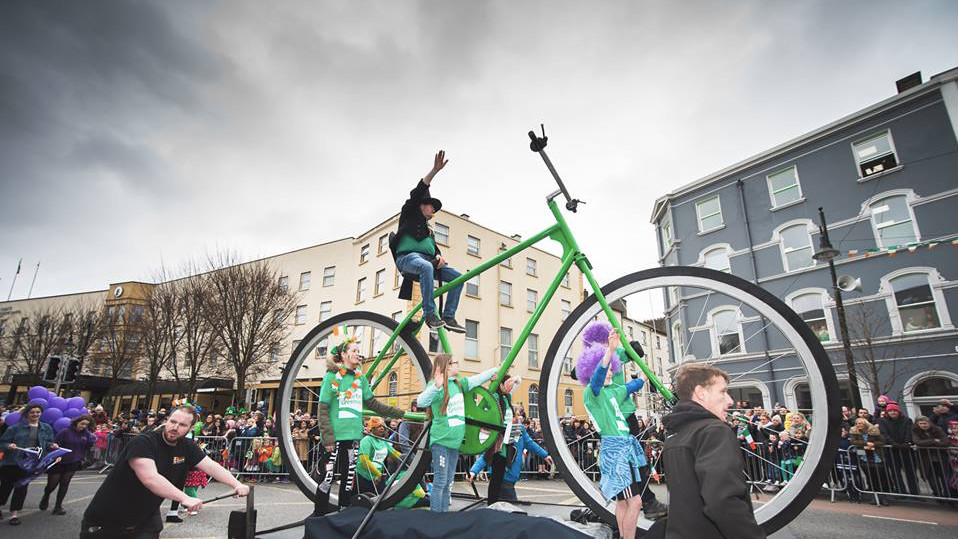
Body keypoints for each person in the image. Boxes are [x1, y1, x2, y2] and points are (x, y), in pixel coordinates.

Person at [80, 405, 249, 538]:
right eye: (173, 421)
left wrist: (236, 483)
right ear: (167, 420)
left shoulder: (187, 446)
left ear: (190, 428)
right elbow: (150, 478)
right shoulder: (144, 442)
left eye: (182, 425)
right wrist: (185, 498)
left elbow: (211, 466)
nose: (175, 427)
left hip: (145, 518)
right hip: (109, 517)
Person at [661, 363, 764, 539]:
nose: (730, 401)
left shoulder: (675, 436)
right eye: (723, 392)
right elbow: (723, 501)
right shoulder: (714, 431)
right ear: (701, 392)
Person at [315, 336, 405, 514]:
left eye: (358, 350)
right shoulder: (332, 377)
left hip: (353, 437)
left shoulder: (361, 379)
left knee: (348, 480)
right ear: (344, 354)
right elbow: (323, 409)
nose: (358, 354)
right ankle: (319, 514)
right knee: (327, 478)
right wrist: (327, 437)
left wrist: (397, 412)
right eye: (354, 351)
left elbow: (373, 404)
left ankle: (343, 513)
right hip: (334, 437)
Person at [576, 329, 647, 539]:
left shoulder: (611, 391)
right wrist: (610, 351)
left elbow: (628, 387)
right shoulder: (592, 393)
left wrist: (643, 378)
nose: (610, 372)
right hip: (615, 453)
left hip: (622, 450)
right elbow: (599, 376)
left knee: (624, 502)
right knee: (635, 502)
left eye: (611, 369)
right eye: (607, 370)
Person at [393, 150, 466, 332]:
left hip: (428, 262)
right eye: (430, 205)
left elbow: (435, 250)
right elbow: (417, 192)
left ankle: (448, 316)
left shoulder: (429, 232)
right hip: (408, 259)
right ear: (421, 205)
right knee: (425, 266)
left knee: (458, 277)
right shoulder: (409, 214)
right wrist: (434, 171)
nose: (433, 209)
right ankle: (430, 314)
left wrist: (440, 257)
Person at [416, 354, 497, 512]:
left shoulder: (459, 384)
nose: (458, 364)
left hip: (454, 444)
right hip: (441, 442)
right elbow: (421, 402)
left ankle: (444, 515)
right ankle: (436, 518)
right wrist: (436, 387)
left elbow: (478, 379)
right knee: (440, 481)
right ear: (446, 366)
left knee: (448, 482)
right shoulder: (438, 385)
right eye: (455, 362)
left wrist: (495, 370)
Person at [467, 393, 553, 504]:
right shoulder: (500, 431)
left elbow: (530, 444)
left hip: (511, 478)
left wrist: (545, 455)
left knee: (504, 509)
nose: (518, 417)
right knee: (510, 507)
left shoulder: (520, 429)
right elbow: (487, 455)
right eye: (516, 415)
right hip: (503, 477)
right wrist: (474, 471)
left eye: (519, 415)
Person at [0, 404, 59, 525]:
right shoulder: (15, 428)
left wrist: (52, 446)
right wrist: (8, 446)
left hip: (30, 463)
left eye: (38, 412)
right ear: (26, 414)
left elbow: (48, 442)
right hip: (12, 462)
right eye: (32, 412)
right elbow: (3, 443)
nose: (35, 414)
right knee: (5, 487)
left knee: (21, 488)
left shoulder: (46, 428)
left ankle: (14, 514)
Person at [40, 414, 96, 516]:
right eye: (82, 423)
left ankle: (58, 506)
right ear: (76, 422)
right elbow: (55, 444)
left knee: (65, 483)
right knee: (52, 484)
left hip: (73, 461)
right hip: (59, 460)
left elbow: (89, 445)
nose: (83, 426)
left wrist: (91, 438)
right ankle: (46, 495)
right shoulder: (65, 432)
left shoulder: (86, 434)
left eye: (86, 425)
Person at [878, 403, 919, 495]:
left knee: (911, 472)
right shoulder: (882, 421)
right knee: (895, 473)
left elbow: (909, 432)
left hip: (906, 449)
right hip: (892, 450)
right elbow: (884, 433)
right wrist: (893, 443)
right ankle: (901, 491)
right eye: (891, 411)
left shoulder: (907, 420)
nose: (893, 412)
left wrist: (907, 442)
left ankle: (915, 492)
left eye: (895, 410)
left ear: (898, 411)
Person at [356, 417, 401, 495]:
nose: (382, 428)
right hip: (363, 476)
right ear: (372, 428)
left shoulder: (383, 441)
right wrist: (377, 474)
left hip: (377, 476)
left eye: (383, 426)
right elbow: (364, 460)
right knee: (365, 500)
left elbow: (395, 454)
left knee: (381, 497)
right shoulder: (367, 440)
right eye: (379, 426)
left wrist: (408, 458)